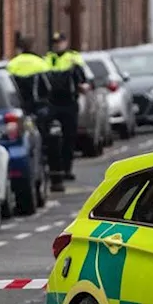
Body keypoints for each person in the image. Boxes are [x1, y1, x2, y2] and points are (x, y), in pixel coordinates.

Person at [5, 37, 56, 188]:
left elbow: (9, 90)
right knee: (44, 141)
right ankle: (46, 170)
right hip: (38, 109)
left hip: (20, 110)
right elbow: (47, 88)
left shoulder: (12, 64)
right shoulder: (41, 63)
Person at [46, 32, 90, 189]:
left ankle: (67, 169)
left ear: (66, 42)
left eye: (60, 42)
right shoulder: (47, 59)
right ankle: (54, 170)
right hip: (52, 103)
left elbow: (83, 79)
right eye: (55, 42)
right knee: (51, 138)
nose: (57, 45)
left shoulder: (74, 58)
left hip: (69, 103)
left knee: (69, 137)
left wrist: (83, 86)